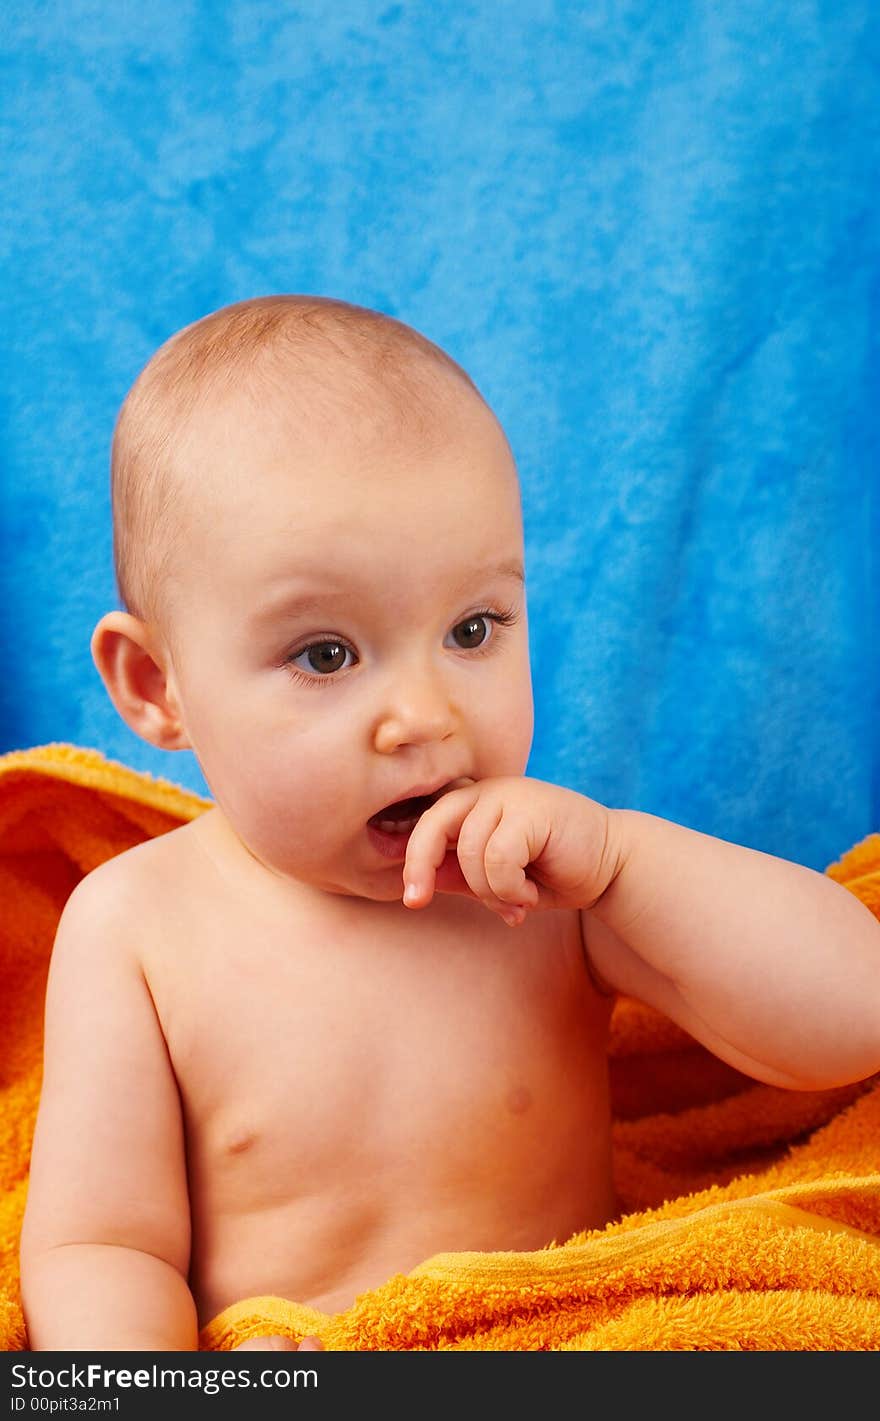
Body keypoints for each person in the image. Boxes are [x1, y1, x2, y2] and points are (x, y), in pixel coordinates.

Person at [18, 295, 880, 1352]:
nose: (427, 715)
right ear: (159, 686)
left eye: (473, 628)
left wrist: (620, 864)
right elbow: (102, 1245)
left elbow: (852, 1018)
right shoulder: (138, 925)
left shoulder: (552, 887)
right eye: (325, 654)